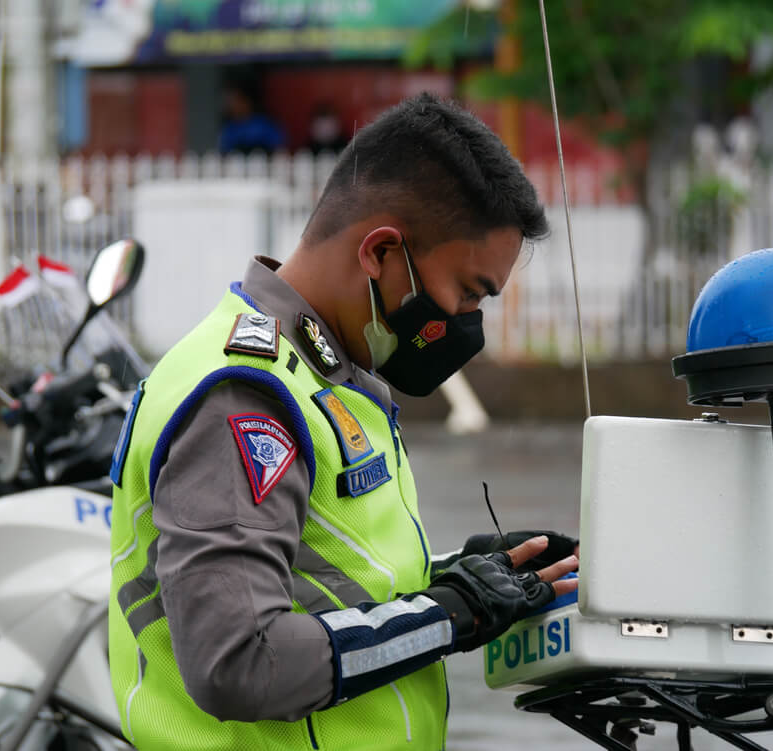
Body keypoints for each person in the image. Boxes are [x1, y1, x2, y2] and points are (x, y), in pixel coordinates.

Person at [108, 92, 580, 750]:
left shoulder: (321, 374)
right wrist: (450, 613)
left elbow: (314, 581)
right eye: (469, 292)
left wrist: (465, 575)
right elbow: (242, 661)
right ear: (380, 252)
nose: (469, 322)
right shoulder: (245, 397)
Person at [218, 81, 285, 155]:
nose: (233, 106)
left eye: (237, 101)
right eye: (230, 102)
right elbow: (223, 153)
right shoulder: (229, 129)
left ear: (246, 101)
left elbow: (279, 149)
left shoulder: (264, 125)